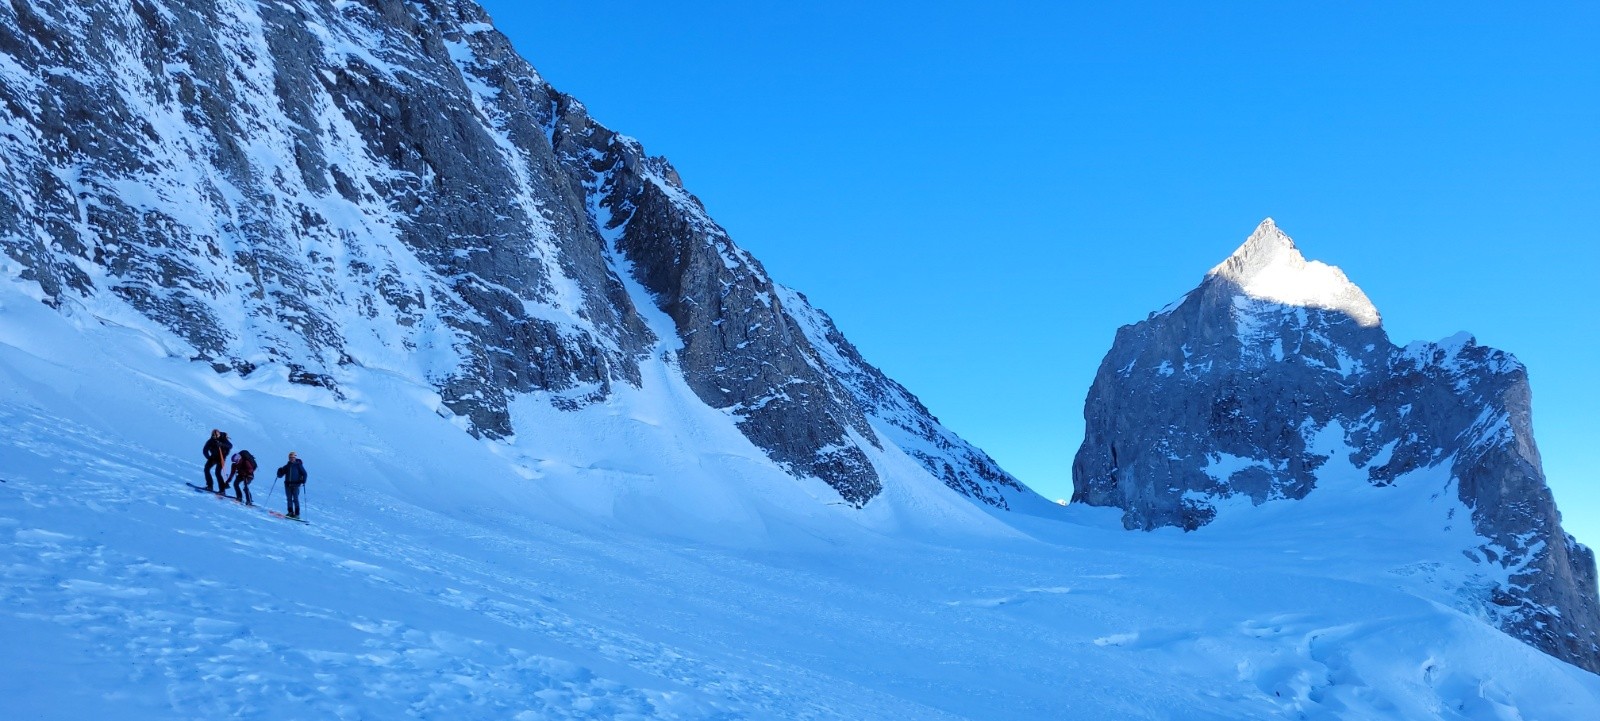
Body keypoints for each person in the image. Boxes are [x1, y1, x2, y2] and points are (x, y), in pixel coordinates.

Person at [276, 452, 308, 518]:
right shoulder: (287, 466)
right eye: (290, 458)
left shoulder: (298, 465)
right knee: (289, 499)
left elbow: (304, 473)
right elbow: (280, 475)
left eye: (292, 457)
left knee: (295, 499)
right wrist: (279, 472)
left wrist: (303, 481)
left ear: (295, 458)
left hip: (296, 485)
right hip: (287, 485)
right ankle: (290, 512)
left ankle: (297, 514)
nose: (291, 459)